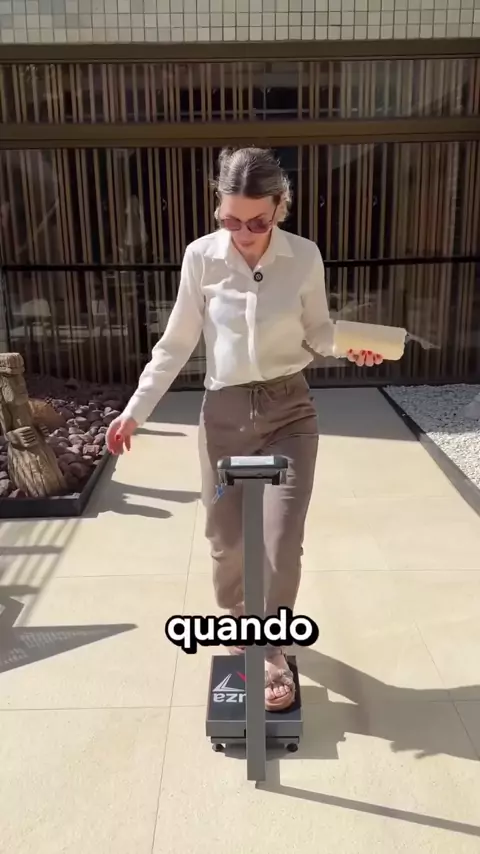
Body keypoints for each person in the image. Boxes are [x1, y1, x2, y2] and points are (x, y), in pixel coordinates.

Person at [106, 147, 383, 712]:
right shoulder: (201, 258)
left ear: (281, 205)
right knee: (227, 542)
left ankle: (271, 646)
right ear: (218, 209)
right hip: (224, 417)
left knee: (281, 543)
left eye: (258, 222)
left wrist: (352, 346)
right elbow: (176, 343)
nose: (245, 234)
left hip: (289, 413)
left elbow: (318, 330)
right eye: (231, 220)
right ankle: (241, 627)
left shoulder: (303, 256)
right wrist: (136, 409)